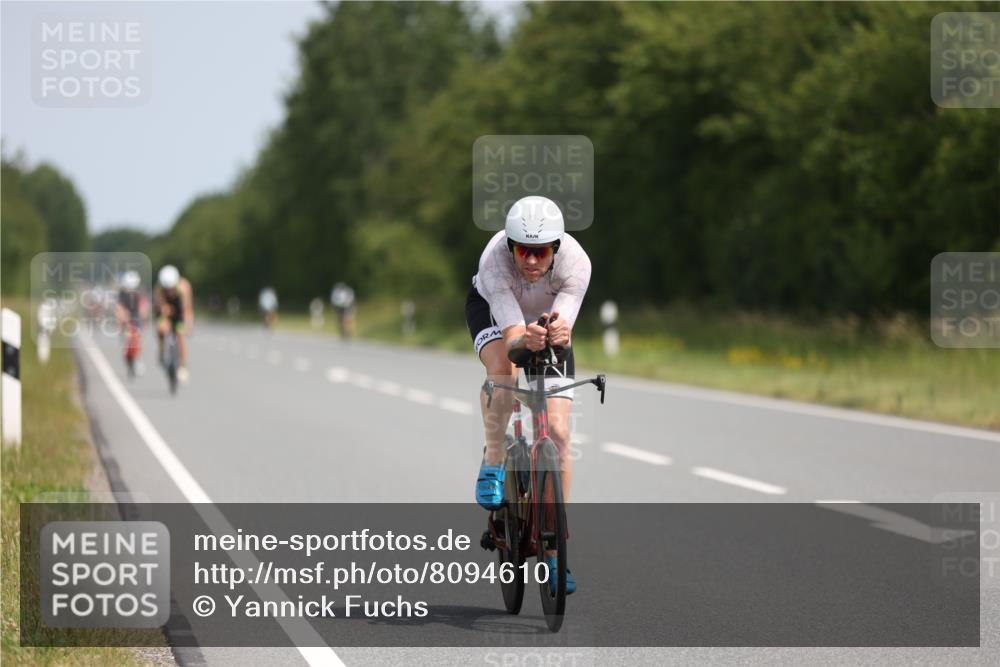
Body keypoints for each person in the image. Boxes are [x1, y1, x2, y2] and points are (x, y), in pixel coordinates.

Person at [465, 195, 591, 593]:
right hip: (495, 313)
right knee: (505, 370)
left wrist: (557, 333)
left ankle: (554, 551)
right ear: (510, 247)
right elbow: (515, 340)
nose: (531, 261)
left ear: (555, 248)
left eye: (540, 252)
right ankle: (494, 456)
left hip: (545, 319)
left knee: (559, 432)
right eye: (523, 250)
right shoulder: (493, 264)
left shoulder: (577, 263)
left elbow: (564, 330)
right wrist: (526, 338)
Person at [153, 265, 194, 382]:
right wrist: (164, 311)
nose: (169, 291)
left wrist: (189, 324)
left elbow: (188, 308)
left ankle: (182, 364)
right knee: (161, 329)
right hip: (165, 311)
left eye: (171, 288)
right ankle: (161, 353)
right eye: (167, 289)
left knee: (180, 335)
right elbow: (160, 307)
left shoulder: (184, 287)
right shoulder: (158, 289)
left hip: (180, 312)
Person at [115, 270, 148, 377]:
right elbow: (119, 308)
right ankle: (129, 360)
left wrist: (143, 315)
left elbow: (144, 308)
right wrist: (122, 318)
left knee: (138, 340)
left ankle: (137, 359)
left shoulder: (140, 294)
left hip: (137, 320)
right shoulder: (121, 295)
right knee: (127, 343)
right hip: (126, 322)